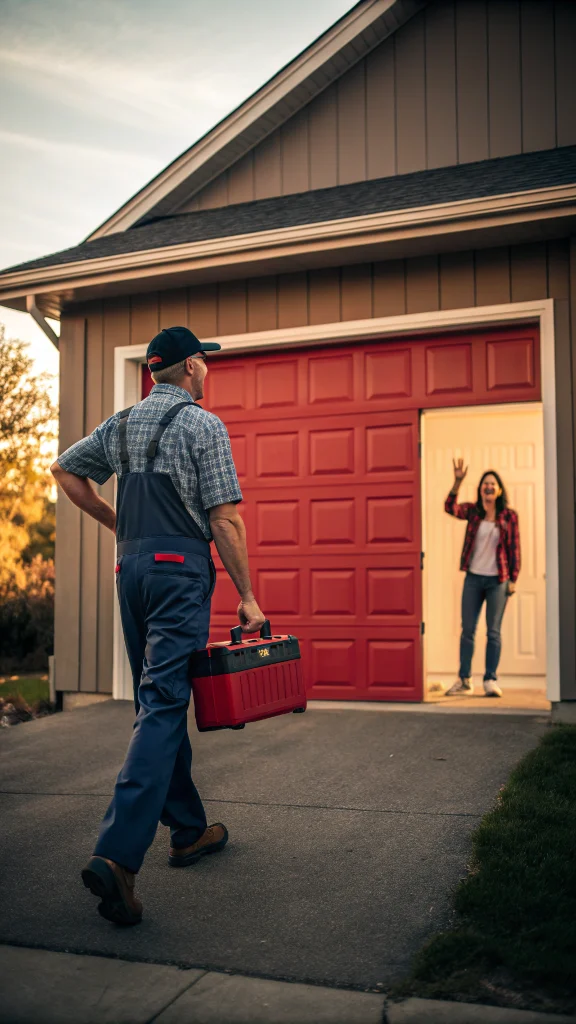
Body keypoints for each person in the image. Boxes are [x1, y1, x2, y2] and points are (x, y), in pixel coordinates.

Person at [51, 325, 265, 926]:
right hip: (178, 574)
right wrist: (248, 596)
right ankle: (117, 858)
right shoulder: (204, 425)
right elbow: (225, 521)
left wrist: (116, 522)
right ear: (193, 367)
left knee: (156, 701)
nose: (207, 371)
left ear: (152, 372)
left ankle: (189, 831)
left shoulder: (120, 425)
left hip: (134, 571)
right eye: (206, 364)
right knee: (166, 701)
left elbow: (66, 473)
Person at [443, 459, 520, 699]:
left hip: (498, 580)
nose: (488, 487)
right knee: (468, 630)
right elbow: (449, 507)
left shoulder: (509, 516)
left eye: (492, 484)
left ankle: (490, 679)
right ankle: (465, 679)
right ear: (480, 489)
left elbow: (515, 548)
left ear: (499, 490)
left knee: (493, 632)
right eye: (485, 484)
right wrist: (457, 482)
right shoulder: (473, 512)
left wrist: (513, 579)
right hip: (474, 579)